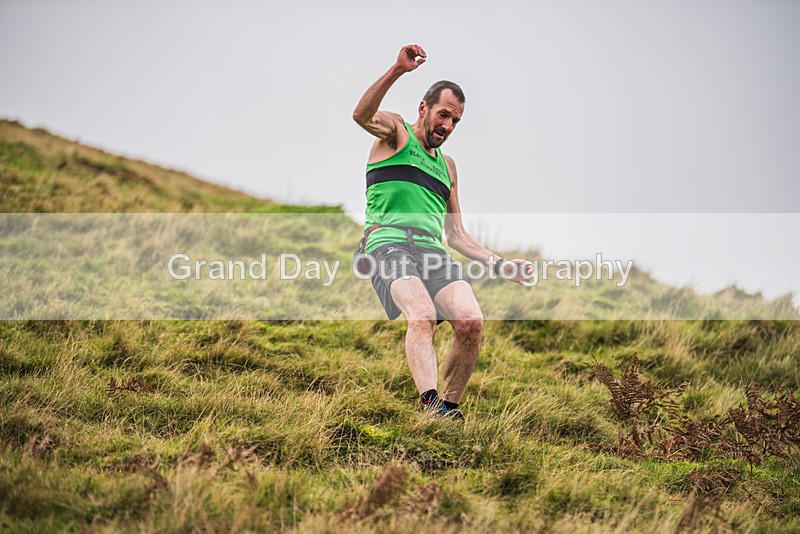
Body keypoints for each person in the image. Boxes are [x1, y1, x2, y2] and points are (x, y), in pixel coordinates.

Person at [353, 44, 532, 420]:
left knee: (471, 322)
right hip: (387, 244)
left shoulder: (447, 166)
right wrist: (397, 70)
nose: (448, 126)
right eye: (443, 115)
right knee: (421, 315)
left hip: (432, 251)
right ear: (424, 108)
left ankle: (448, 411)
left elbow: (457, 235)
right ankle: (429, 405)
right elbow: (361, 114)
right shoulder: (396, 134)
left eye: (455, 121)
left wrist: (501, 264)